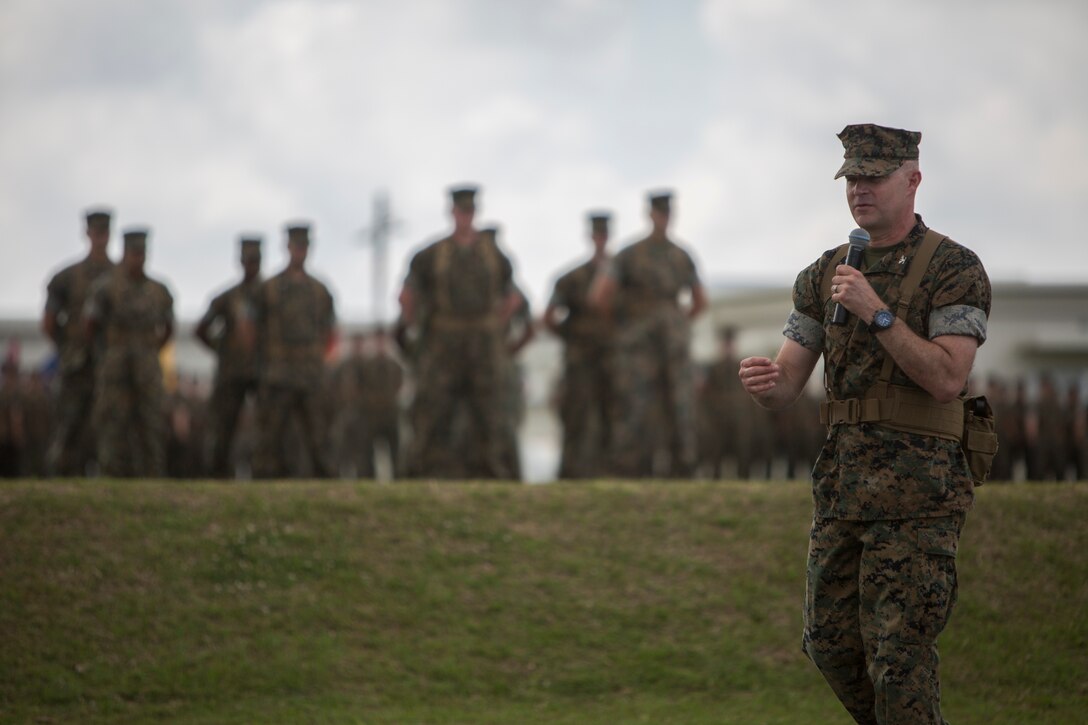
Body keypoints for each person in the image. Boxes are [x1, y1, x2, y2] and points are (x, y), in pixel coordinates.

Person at [738, 123, 991, 724]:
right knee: (828, 643)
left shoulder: (953, 269)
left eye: (874, 177)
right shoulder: (824, 274)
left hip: (919, 495)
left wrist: (877, 313)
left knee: (899, 656)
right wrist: (768, 386)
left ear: (913, 179)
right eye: (852, 177)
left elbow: (947, 378)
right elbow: (789, 381)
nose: (860, 189)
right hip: (844, 490)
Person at [398, 185, 523, 479]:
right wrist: (418, 328)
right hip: (444, 346)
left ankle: (492, 475)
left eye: (470, 212)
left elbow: (513, 297)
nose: (465, 217)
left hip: (483, 346)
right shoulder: (431, 254)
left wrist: (495, 325)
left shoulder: (493, 255)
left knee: (489, 413)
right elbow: (406, 295)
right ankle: (419, 475)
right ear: (452, 213)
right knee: (433, 411)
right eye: (460, 212)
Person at [589, 190, 707, 477]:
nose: (663, 219)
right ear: (652, 215)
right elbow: (600, 296)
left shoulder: (680, 255)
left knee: (676, 408)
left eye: (666, 214)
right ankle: (633, 471)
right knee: (635, 408)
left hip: (657, 342)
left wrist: (630, 326)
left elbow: (700, 300)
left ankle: (678, 470)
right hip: (641, 344)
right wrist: (627, 327)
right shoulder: (631, 254)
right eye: (660, 213)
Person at [85, 228, 175, 478]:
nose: (139, 258)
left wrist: (150, 348)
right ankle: (111, 477)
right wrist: (107, 352)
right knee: (113, 421)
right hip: (115, 367)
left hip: (147, 368)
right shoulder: (105, 288)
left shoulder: (159, 290)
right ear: (125, 253)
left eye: (142, 253)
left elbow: (168, 328)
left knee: (151, 423)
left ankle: (153, 477)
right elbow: (90, 325)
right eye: (134, 253)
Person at [251, 222, 336, 479]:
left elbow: (329, 332)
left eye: (304, 247)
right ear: (287, 248)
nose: (300, 252)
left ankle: (327, 485)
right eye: (296, 246)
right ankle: (264, 485)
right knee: (271, 436)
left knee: (319, 434)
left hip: (310, 373)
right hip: (278, 373)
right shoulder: (269, 289)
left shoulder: (320, 291)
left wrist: (317, 358)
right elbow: (252, 330)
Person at [41, 207, 115, 475]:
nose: (101, 238)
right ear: (87, 233)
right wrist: (66, 346)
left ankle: (107, 484)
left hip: (108, 366)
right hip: (76, 364)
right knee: (69, 426)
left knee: (108, 428)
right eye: (96, 232)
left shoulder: (118, 278)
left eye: (105, 232)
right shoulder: (66, 278)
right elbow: (48, 322)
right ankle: (60, 482)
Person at [544, 211, 616, 479]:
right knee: (577, 418)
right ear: (591, 237)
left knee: (614, 418)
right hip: (580, 362)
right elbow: (548, 317)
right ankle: (571, 476)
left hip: (613, 361)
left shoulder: (621, 275)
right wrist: (571, 337)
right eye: (597, 234)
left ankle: (611, 475)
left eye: (604, 234)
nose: (600, 239)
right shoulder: (571, 279)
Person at [195, 235, 263, 478]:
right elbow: (201, 329)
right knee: (223, 429)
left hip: (261, 373)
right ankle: (219, 476)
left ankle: (264, 477)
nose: (251, 266)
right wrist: (221, 350)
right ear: (240, 262)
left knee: (265, 431)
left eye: (255, 260)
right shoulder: (227, 297)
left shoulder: (270, 295)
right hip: (231, 374)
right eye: (247, 260)